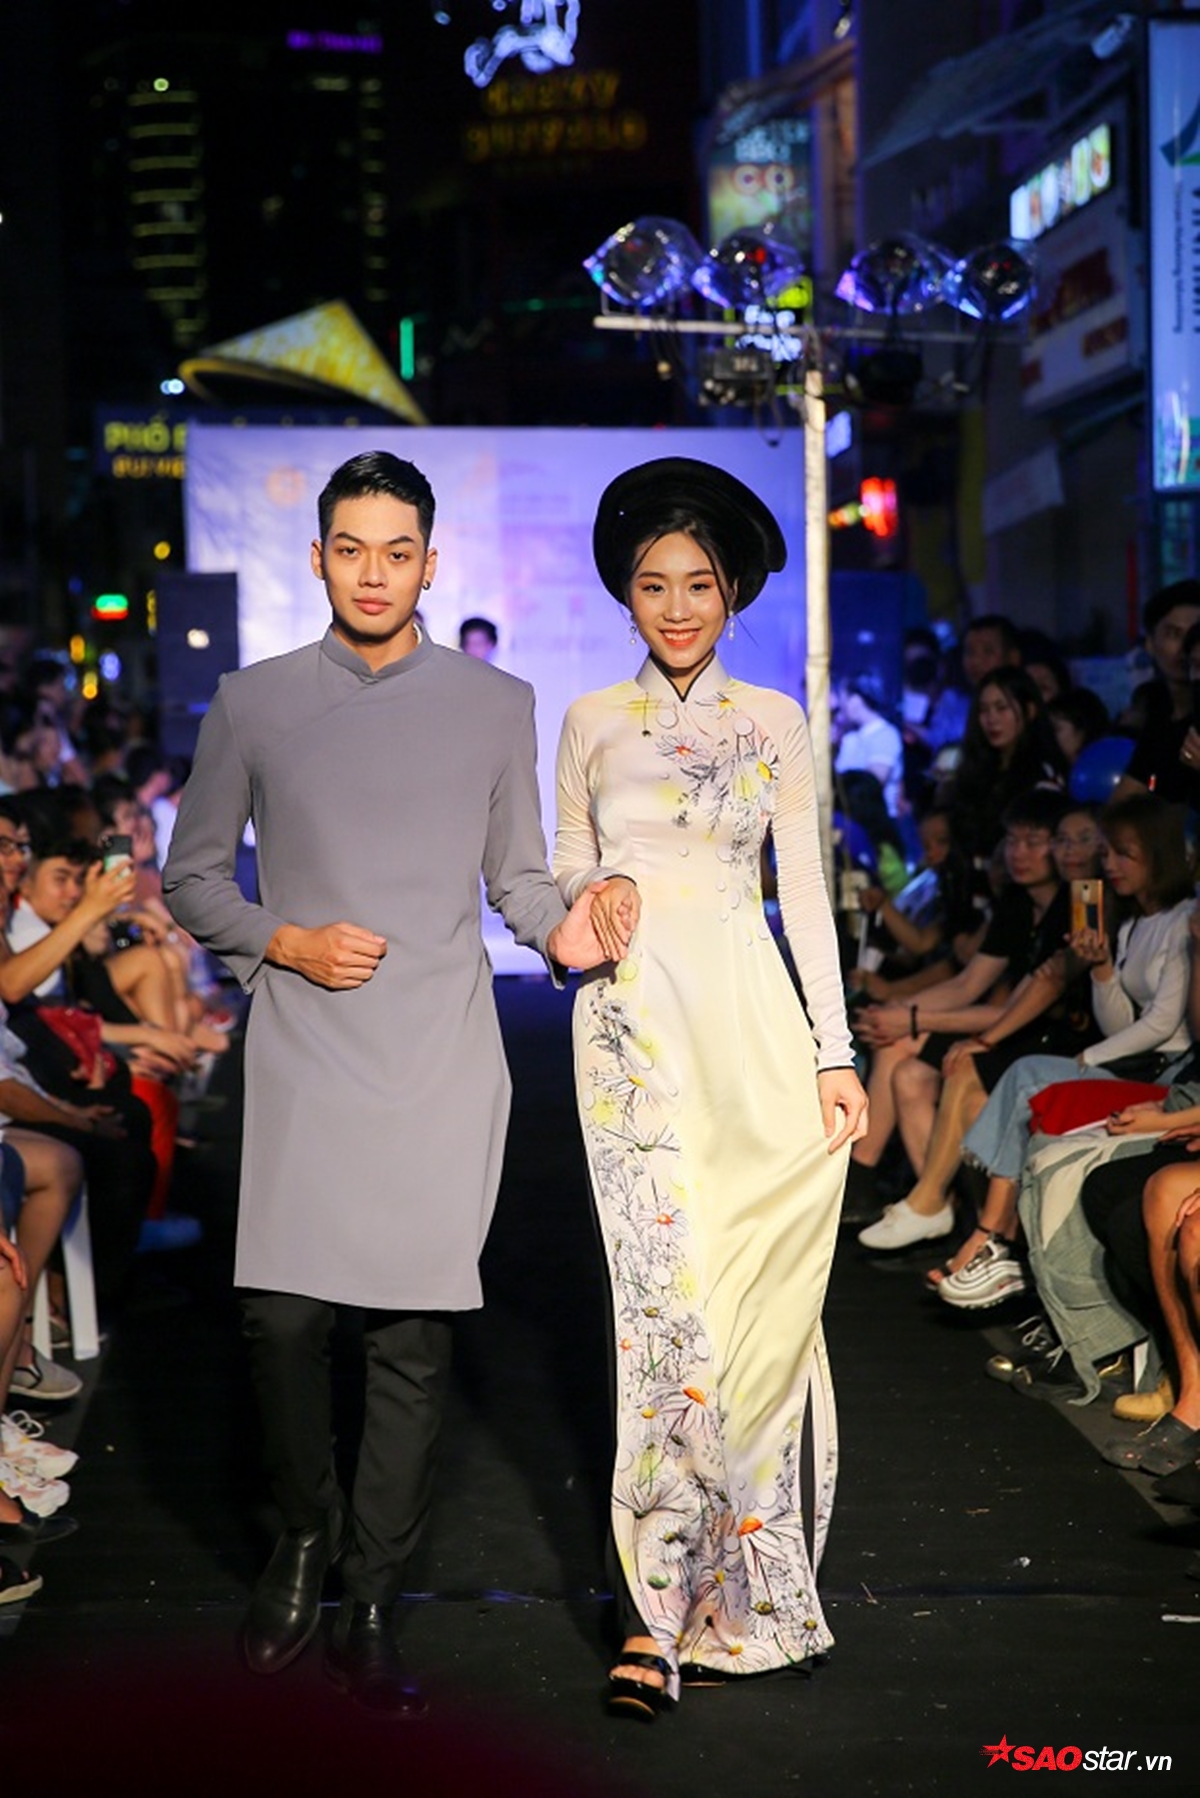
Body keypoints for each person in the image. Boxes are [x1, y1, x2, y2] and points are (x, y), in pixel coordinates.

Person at [162, 450, 614, 1721]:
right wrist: (286, 941)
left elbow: (516, 876)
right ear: (317, 558)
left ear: (430, 561)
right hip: (306, 1041)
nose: (374, 572)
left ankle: (369, 1599)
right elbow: (193, 875)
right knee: (281, 1322)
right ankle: (303, 1536)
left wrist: (571, 926)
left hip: (438, 1055)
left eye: (397, 551)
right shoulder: (252, 701)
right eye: (351, 549)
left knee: (412, 1341)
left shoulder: (493, 701)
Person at [553, 457, 867, 1717]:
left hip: (753, 1026)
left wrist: (835, 1050)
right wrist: (591, 900)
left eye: (697, 583)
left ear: (731, 591)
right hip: (634, 1032)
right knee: (660, 1318)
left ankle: (740, 1596)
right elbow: (563, 868)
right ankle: (653, 1614)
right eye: (652, 584)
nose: (676, 606)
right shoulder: (590, 719)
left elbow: (807, 894)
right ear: (625, 595)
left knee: (754, 1314)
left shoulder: (774, 720)